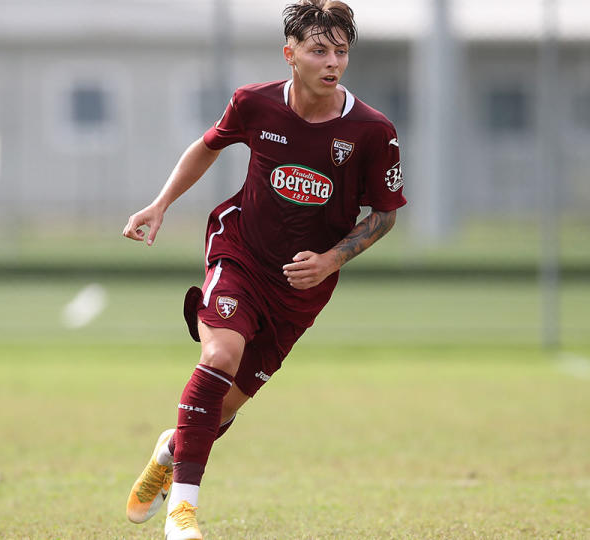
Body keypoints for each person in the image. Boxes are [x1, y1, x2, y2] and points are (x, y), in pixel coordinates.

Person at [121, 1, 406, 538]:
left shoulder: (372, 130)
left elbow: (385, 215)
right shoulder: (254, 104)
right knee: (221, 353)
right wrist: (161, 204)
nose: (333, 62)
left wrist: (331, 259)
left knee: (221, 408)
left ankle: (169, 451)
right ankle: (183, 512)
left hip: (301, 289)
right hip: (241, 252)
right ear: (291, 54)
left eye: (341, 51)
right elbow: (208, 147)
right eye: (319, 50)